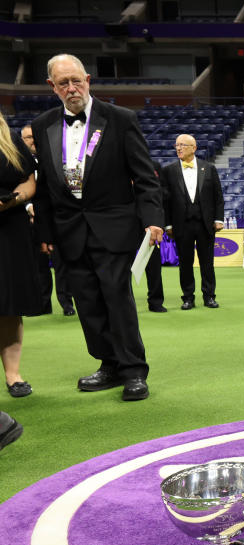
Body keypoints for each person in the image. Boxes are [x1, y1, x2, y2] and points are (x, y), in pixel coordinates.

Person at [31, 53, 163, 400]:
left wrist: (153, 220)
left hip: (114, 229)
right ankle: (109, 365)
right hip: (69, 232)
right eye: (63, 83)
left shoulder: (120, 119)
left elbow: (145, 178)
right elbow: (44, 187)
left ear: (88, 79)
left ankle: (134, 370)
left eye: (77, 80)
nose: (71, 88)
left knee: (117, 300)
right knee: (88, 304)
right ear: (52, 87)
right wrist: (44, 234)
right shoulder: (44, 124)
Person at [0, 112, 40, 398]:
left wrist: (14, 199)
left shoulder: (11, 139)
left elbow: (29, 182)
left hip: (9, 229)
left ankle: (13, 376)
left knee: (9, 304)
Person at [159, 134, 224, 310]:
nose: (178, 148)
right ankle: (188, 297)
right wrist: (168, 225)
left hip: (206, 224)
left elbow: (218, 197)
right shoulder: (169, 170)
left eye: (183, 145)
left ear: (193, 148)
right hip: (181, 225)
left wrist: (219, 219)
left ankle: (209, 296)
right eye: (176, 145)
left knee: (207, 263)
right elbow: (165, 201)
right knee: (185, 264)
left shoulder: (209, 168)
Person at [21, 124, 74, 316]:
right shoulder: (18, 164)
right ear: (22, 141)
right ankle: (43, 304)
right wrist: (28, 207)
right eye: (27, 138)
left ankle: (67, 304)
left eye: (34, 136)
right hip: (28, 225)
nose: (32, 140)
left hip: (55, 221)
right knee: (38, 267)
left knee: (62, 265)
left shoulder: (53, 160)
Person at [144, 159, 166, 313]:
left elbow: (165, 191)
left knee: (154, 265)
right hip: (126, 221)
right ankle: (122, 302)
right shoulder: (120, 164)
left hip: (150, 222)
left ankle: (156, 302)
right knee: (122, 266)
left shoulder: (154, 166)